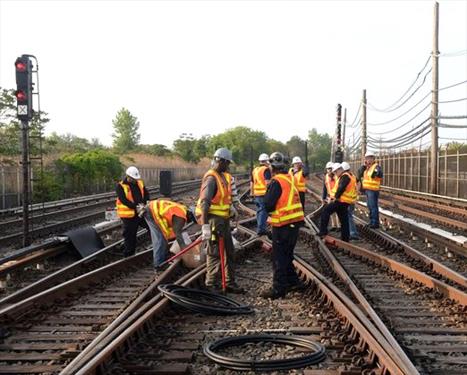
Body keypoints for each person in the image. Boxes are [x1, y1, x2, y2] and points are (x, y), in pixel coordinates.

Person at [196, 148, 243, 294]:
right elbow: (205, 203)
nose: (228, 166)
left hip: (223, 220)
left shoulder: (223, 176)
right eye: (227, 163)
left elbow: (224, 198)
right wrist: (205, 226)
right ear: (220, 161)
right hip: (213, 221)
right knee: (214, 252)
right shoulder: (211, 178)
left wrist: (231, 209)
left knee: (229, 251)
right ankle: (211, 284)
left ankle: (229, 282)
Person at [261, 152, 305, 299]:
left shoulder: (276, 182)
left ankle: (279, 288)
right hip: (294, 222)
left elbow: (267, 204)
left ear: (273, 167)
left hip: (283, 224)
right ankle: (294, 281)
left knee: (279, 256)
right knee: (287, 254)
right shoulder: (289, 178)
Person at [141, 199, 196, 269]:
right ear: (190, 216)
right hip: (152, 211)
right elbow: (178, 233)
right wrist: (184, 249)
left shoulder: (182, 210)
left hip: (151, 209)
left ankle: (163, 258)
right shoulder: (180, 217)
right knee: (160, 239)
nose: (189, 221)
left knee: (161, 238)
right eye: (191, 220)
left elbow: (177, 231)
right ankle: (158, 265)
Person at [115, 166, 150, 257]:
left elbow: (146, 194)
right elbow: (124, 200)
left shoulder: (140, 183)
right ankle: (129, 254)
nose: (135, 180)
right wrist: (136, 207)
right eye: (133, 178)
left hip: (140, 212)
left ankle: (156, 245)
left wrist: (144, 203)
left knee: (152, 226)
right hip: (128, 216)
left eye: (136, 178)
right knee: (130, 235)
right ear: (128, 176)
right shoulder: (120, 186)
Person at [318, 163, 357, 242]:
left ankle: (323, 231)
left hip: (340, 201)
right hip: (345, 202)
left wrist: (335, 198)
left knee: (325, 211)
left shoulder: (345, 176)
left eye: (336, 172)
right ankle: (345, 239)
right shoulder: (349, 176)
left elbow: (341, 187)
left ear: (340, 169)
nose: (335, 174)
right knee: (344, 221)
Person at [361, 151, 383, 229]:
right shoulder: (367, 168)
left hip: (373, 190)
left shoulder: (376, 167)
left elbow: (379, 173)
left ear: (373, 159)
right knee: (370, 206)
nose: (369, 160)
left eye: (370, 158)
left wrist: (376, 173)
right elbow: (360, 175)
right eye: (367, 158)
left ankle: (375, 223)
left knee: (373, 207)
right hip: (367, 190)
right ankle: (371, 222)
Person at [250, 153, 271, 235]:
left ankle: (260, 227)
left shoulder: (255, 170)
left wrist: (252, 193)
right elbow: (267, 182)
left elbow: (251, 182)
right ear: (266, 161)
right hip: (263, 194)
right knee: (263, 211)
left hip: (257, 194)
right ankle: (261, 229)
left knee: (259, 211)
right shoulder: (266, 169)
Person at [341, 162, 360, 240]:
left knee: (348, 216)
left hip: (348, 200)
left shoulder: (347, 177)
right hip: (351, 199)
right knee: (349, 216)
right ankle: (352, 232)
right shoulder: (353, 176)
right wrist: (357, 191)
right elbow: (359, 183)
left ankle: (353, 233)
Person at [322, 161, 339, 230]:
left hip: (336, 196)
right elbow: (325, 187)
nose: (329, 170)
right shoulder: (326, 177)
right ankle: (334, 225)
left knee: (337, 211)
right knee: (332, 212)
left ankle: (339, 226)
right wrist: (323, 197)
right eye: (328, 169)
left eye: (331, 168)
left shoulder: (336, 176)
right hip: (330, 196)